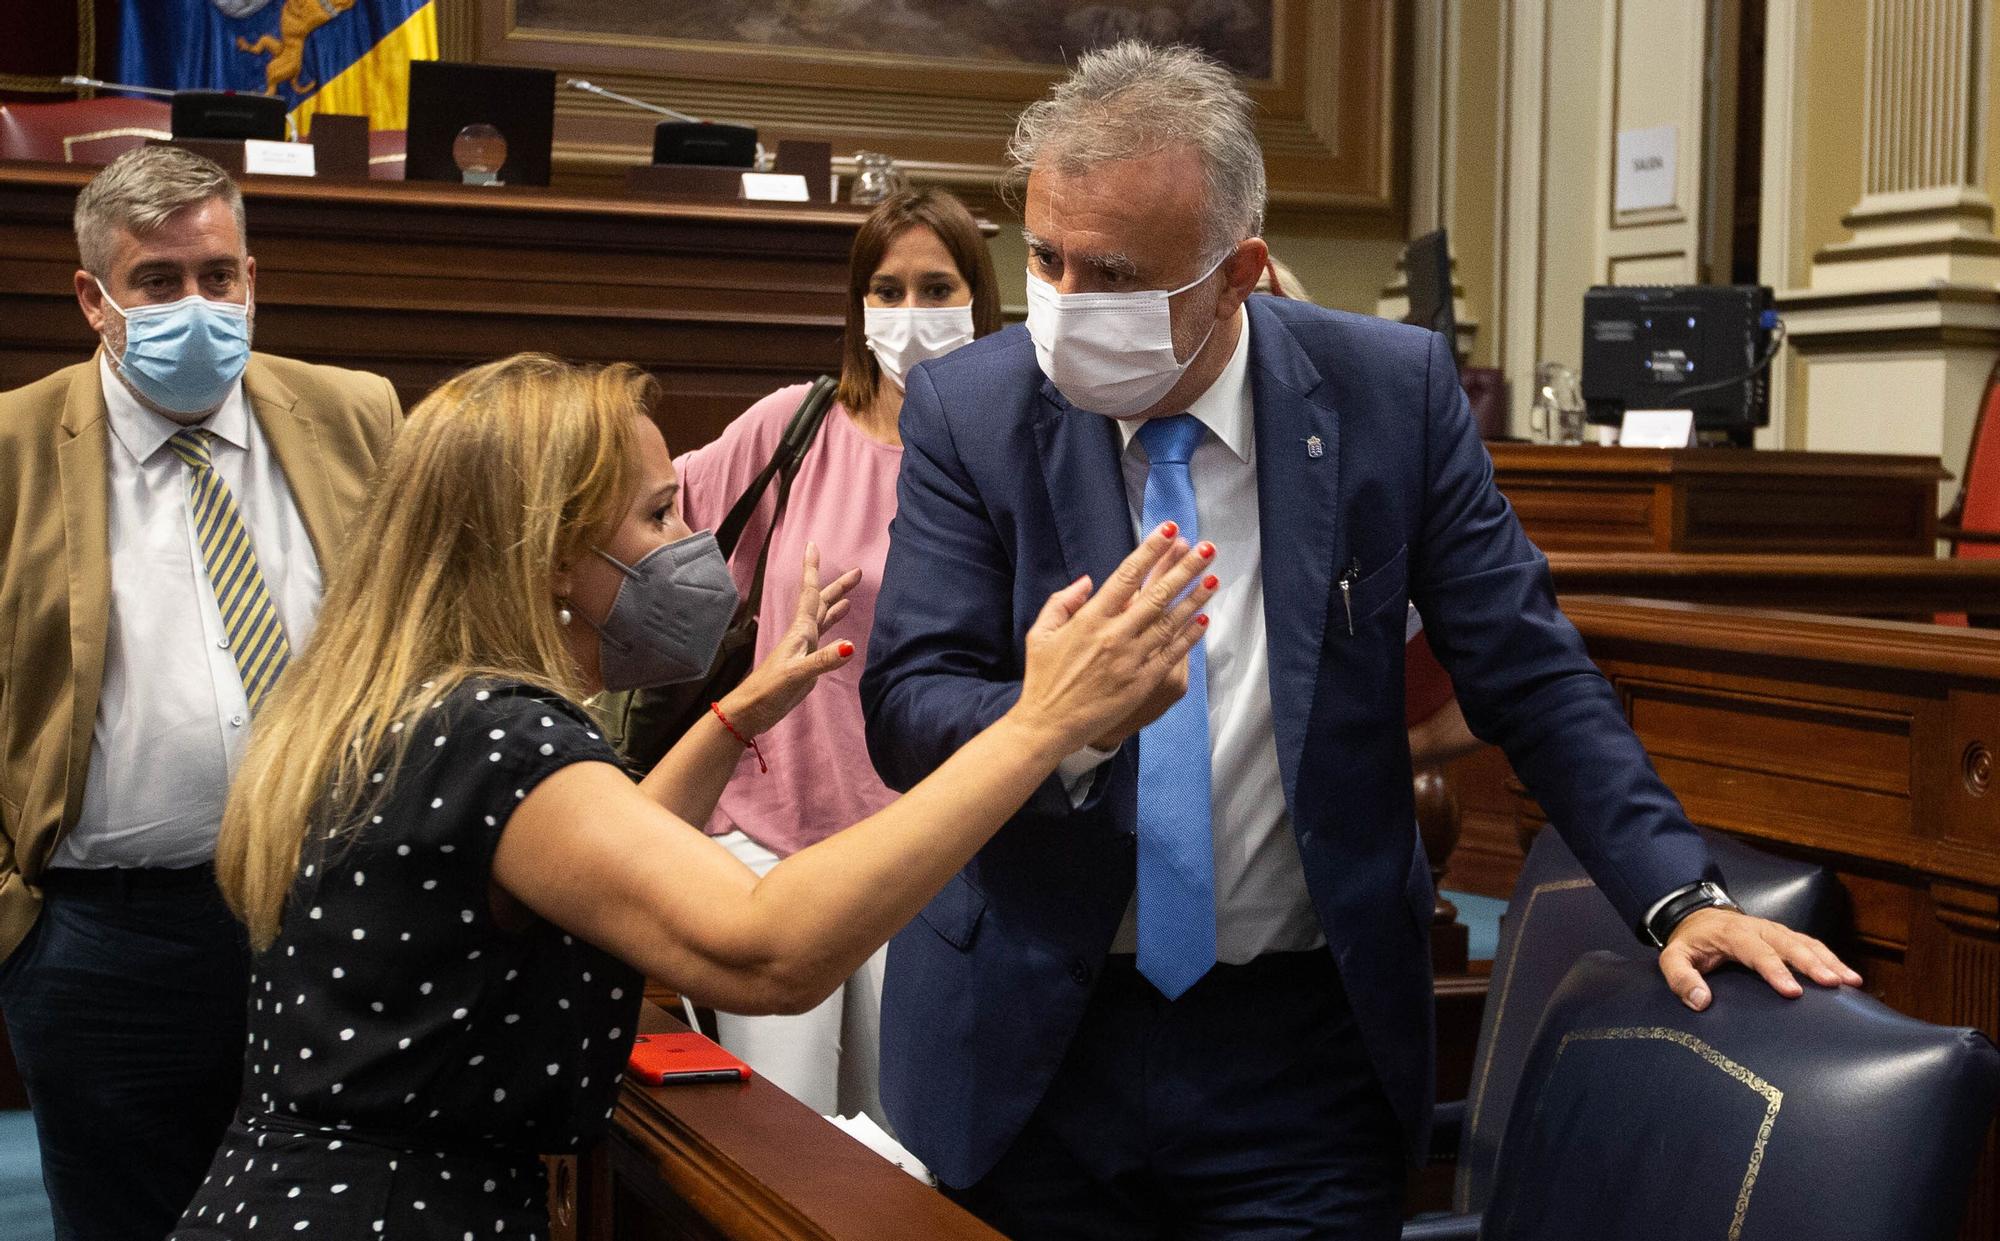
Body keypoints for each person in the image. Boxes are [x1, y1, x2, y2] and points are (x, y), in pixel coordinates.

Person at [859, 41, 1860, 1238]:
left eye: (1111, 273)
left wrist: (1670, 894)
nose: (1064, 302)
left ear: (1235, 273)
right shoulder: (973, 410)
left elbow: (1526, 669)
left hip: (1297, 1061)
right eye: (1043, 258)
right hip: (1030, 1049)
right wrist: (1049, 723)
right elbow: (907, 704)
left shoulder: (1387, 394)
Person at [168, 352, 1214, 1239]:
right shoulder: (500, 737)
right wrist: (1040, 724)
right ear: (552, 558)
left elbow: (586, 863)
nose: (693, 544)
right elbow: (764, 949)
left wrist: (735, 718)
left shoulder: (410, 703)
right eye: (659, 511)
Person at [0, 144, 401, 1240]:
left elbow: (421, 641)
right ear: (94, 297)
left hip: (336, 917)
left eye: (218, 277)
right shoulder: (12, 447)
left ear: (252, 276)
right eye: (159, 282)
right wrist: (18, 931)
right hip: (106, 949)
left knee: (333, 1215)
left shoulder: (356, 414)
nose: (198, 305)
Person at [672, 187, 1001, 1126]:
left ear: (980, 298)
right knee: (780, 1144)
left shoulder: (1016, 450)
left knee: (903, 1151)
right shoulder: (795, 426)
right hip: (771, 846)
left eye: (937, 289)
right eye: (887, 290)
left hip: (925, 853)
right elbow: (650, 530)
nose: (911, 314)